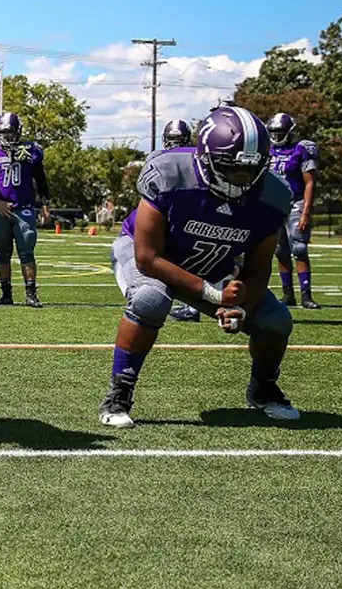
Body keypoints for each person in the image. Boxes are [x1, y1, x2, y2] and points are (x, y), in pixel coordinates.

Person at [99, 106, 298, 429]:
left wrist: (241, 308)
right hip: (148, 256)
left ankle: (263, 389)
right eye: (230, 167)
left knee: (275, 320)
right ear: (204, 158)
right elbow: (147, 257)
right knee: (151, 299)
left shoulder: (273, 196)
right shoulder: (169, 173)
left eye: (250, 168)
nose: (242, 178)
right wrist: (210, 292)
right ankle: (118, 393)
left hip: (212, 265)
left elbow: (258, 269)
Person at [0, 112, 50, 308]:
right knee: (3, 253)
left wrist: (45, 203)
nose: (7, 136)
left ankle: (31, 294)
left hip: (24, 208)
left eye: (10, 132)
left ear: (18, 132)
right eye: (3, 132)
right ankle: (6, 294)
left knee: (27, 252)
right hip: (0, 211)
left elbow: (40, 179)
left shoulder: (31, 150)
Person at [265, 112, 320, 310]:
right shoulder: (267, 150)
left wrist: (306, 211)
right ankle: (288, 293)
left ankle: (306, 294)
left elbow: (309, 182)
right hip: (273, 205)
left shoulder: (301, 149)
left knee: (299, 248)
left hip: (294, 203)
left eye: (280, 132)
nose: (277, 135)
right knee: (280, 251)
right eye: (274, 131)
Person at [154, 118, 202, 324]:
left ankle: (193, 306)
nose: (174, 144)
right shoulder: (160, 157)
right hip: (169, 211)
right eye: (171, 139)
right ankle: (187, 303)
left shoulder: (195, 158)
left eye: (178, 139)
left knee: (190, 259)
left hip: (189, 212)